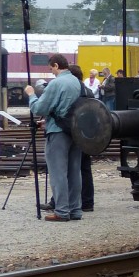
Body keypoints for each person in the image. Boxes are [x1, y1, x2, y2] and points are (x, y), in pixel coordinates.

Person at [25, 53, 83, 221]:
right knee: (74, 172)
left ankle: (62, 211)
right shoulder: (76, 82)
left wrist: (31, 94)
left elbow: (39, 108)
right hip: (75, 131)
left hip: (57, 132)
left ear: (56, 66)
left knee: (58, 173)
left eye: (51, 69)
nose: (51, 72)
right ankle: (75, 210)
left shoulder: (56, 83)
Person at [41, 65, 95, 214]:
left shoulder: (70, 89)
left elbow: (46, 108)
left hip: (66, 131)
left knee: (62, 171)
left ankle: (61, 206)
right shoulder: (87, 91)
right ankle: (83, 204)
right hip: (84, 133)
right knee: (81, 169)